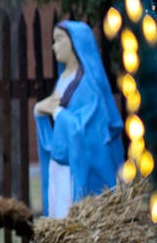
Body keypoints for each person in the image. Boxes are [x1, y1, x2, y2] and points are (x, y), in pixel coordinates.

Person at [34, 20, 123, 218]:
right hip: (63, 165)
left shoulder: (88, 84)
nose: (53, 46)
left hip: (79, 166)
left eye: (59, 40)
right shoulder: (64, 77)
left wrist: (56, 112)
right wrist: (39, 111)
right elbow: (57, 113)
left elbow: (85, 128)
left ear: (75, 43)